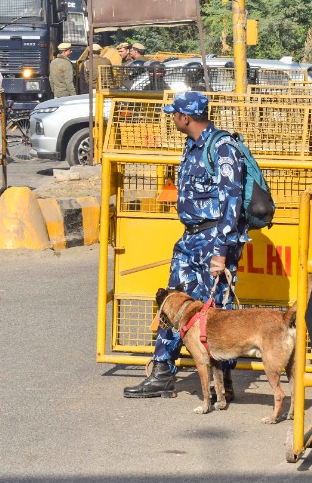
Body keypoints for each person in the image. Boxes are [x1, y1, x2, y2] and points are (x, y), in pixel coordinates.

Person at [122, 91, 247, 400]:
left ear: (185, 118)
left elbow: (232, 202)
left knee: (216, 310)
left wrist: (220, 252)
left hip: (213, 240)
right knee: (172, 304)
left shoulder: (222, 148)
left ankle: (223, 383)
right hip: (191, 238)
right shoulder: (193, 147)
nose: (172, 118)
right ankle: (163, 372)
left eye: (174, 114)